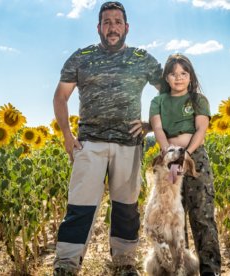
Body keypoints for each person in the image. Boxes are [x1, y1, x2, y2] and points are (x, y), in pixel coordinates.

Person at [52, 2, 162, 275]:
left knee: (126, 208)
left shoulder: (142, 59)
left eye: (117, 22)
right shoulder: (82, 57)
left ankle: (124, 263)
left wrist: (150, 124)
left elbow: (168, 93)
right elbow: (60, 97)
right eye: (106, 22)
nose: (112, 27)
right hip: (89, 144)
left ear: (126, 27)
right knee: (80, 207)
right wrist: (67, 136)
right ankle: (66, 264)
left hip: (129, 145)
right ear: (98, 27)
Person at [149, 53, 221, 276]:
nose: (178, 78)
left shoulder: (198, 100)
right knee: (173, 220)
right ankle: (180, 270)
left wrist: (185, 155)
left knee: (202, 216)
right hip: (169, 163)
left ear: (190, 76)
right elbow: (158, 129)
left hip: (194, 158)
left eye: (183, 73)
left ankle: (210, 271)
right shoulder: (158, 101)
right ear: (166, 78)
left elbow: (201, 129)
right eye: (173, 73)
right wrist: (169, 154)